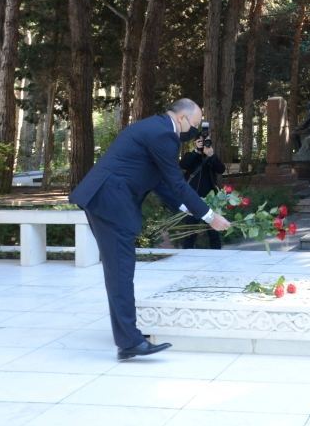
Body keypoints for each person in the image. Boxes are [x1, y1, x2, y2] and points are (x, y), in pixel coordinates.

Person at [70, 99, 231, 360]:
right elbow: (177, 184)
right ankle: (129, 342)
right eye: (196, 122)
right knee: (121, 271)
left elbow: (163, 185)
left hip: (109, 200)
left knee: (120, 270)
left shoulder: (156, 130)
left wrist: (197, 211)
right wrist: (209, 216)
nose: (196, 129)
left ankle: (128, 335)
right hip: (111, 202)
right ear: (181, 118)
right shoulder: (164, 134)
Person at [179, 132, 226, 249]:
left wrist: (211, 155)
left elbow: (221, 169)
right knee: (190, 231)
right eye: (199, 141)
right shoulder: (190, 155)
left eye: (205, 141)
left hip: (210, 200)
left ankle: (217, 255)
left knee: (213, 231)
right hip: (192, 199)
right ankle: (186, 255)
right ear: (195, 142)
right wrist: (196, 152)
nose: (202, 143)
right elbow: (183, 165)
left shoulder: (210, 156)